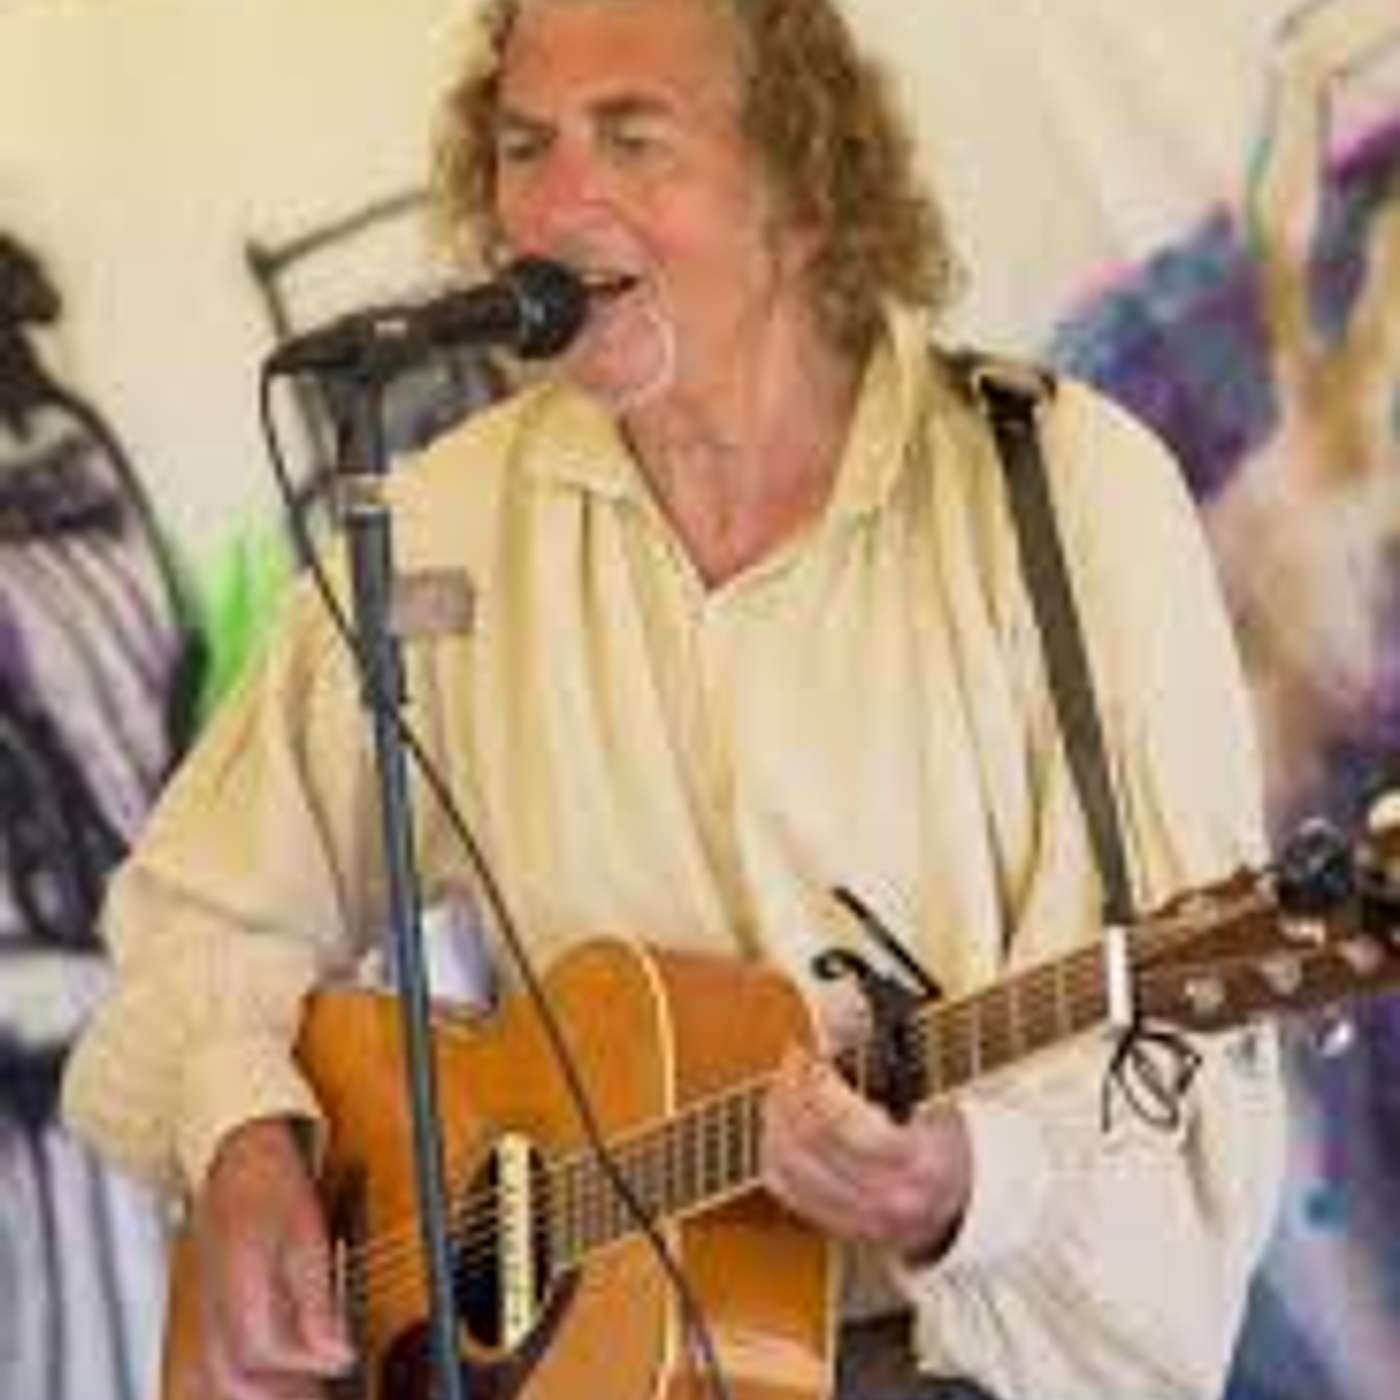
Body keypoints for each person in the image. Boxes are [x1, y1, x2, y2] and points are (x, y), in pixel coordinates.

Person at [62, 1, 1285, 1397]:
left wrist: (962, 1186)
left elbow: (1182, 1069)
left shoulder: (1062, 499)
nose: (560, 203)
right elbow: (199, 915)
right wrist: (243, 1136)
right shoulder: (445, 526)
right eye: (526, 145)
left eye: (633, 137)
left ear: (806, 186)